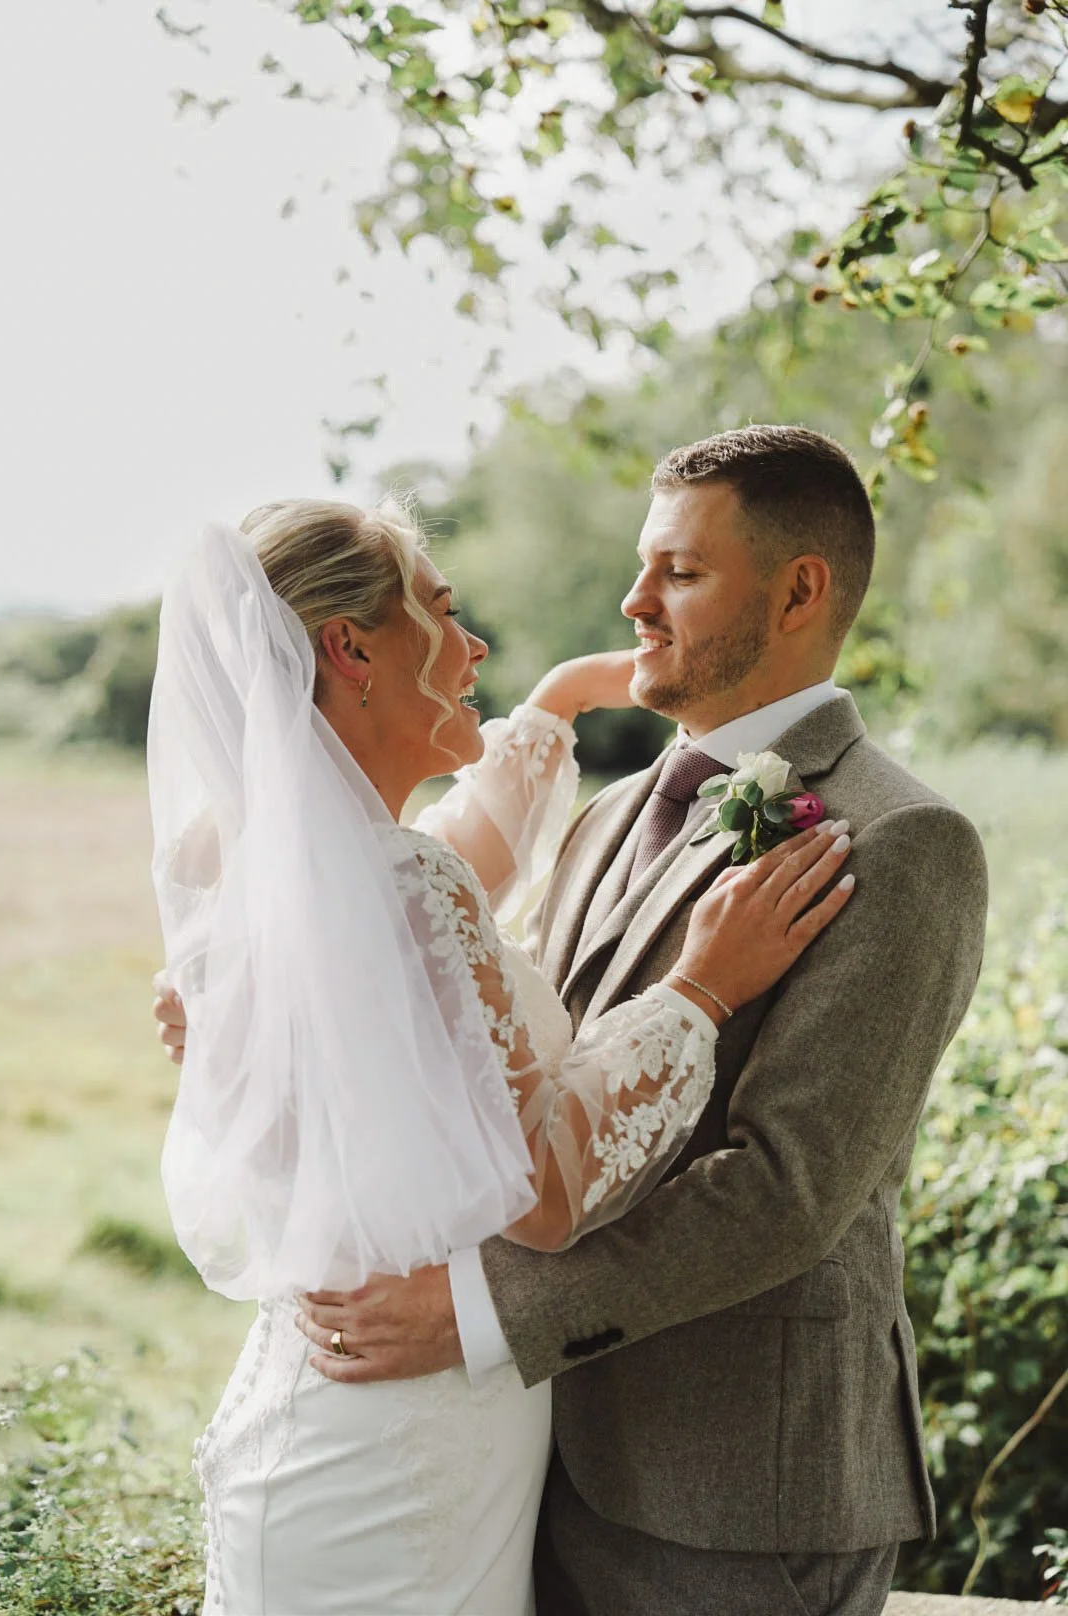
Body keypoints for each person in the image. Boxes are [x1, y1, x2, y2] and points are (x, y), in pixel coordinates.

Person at [272, 426, 989, 1616]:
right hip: (529, 1465)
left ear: (800, 588)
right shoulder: (603, 818)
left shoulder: (902, 837)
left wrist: (481, 1315)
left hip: (734, 1500)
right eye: (643, 565)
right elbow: (508, 1080)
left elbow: (786, 1188)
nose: (633, 600)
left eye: (681, 572)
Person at [148, 493, 854, 1616]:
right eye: (443, 608)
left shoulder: (269, 876)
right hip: (400, 1460)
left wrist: (567, 695)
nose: (473, 644)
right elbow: (539, 1189)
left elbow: (466, 849)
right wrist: (700, 986)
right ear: (349, 646)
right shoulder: (403, 885)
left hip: (333, 1420)